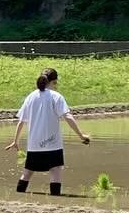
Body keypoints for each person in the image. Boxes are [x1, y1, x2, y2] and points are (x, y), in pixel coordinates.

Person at [8, 69, 89, 197]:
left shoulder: (31, 97)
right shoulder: (56, 97)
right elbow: (67, 116)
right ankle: (55, 200)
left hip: (34, 146)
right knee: (55, 170)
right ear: (54, 82)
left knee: (27, 172)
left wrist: (15, 141)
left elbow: (21, 121)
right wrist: (81, 135)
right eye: (56, 83)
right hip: (53, 145)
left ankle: (17, 198)